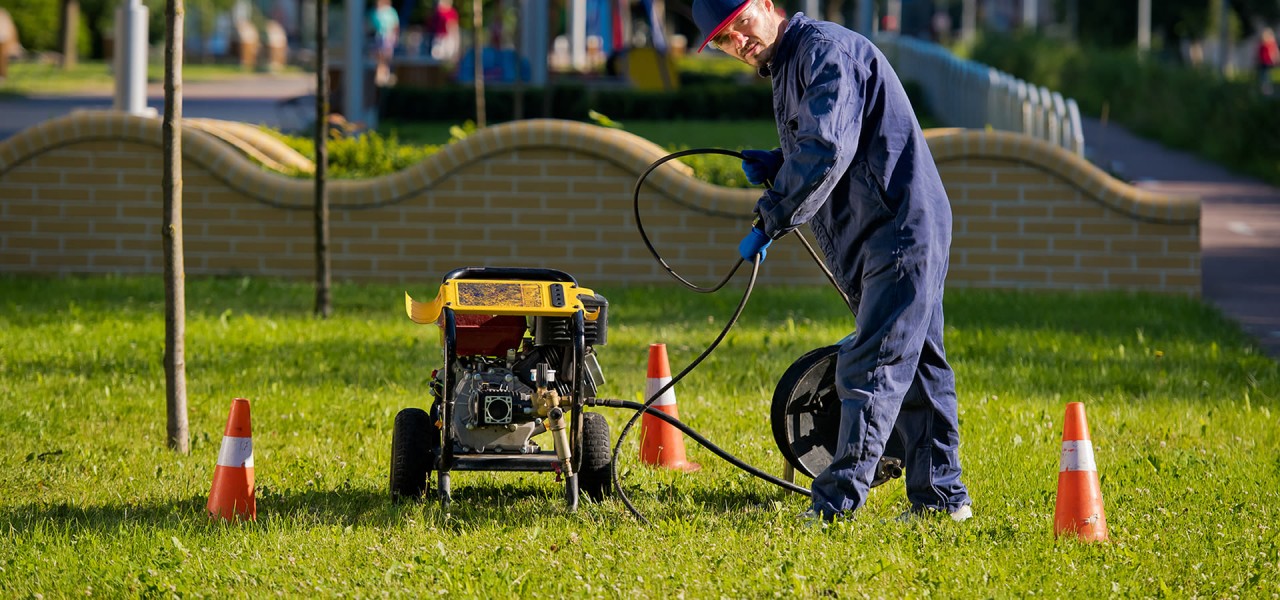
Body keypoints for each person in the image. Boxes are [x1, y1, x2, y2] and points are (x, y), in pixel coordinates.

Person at [692, 0, 972, 522]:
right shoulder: (792, 62)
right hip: (893, 225)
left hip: (897, 227)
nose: (739, 43)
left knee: (873, 364)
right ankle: (942, 499)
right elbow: (837, 141)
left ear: (768, 6)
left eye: (741, 25)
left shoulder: (823, 51)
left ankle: (835, 506)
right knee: (918, 366)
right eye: (725, 40)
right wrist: (780, 165)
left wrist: (771, 216)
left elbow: (824, 150)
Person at [370, 0, 400, 85]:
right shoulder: (376, 12)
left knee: (386, 56)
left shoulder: (391, 11)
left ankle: (385, 74)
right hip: (378, 37)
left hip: (388, 37)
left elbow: (395, 25)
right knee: (379, 56)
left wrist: (395, 36)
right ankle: (380, 75)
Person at [1257, 28, 1278, 96]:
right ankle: (1265, 91)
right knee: (1264, 77)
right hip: (1263, 62)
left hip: (1267, 62)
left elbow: (1273, 53)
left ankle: (1267, 91)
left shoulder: (1270, 43)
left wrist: (1274, 59)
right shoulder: (1263, 43)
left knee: (1266, 77)